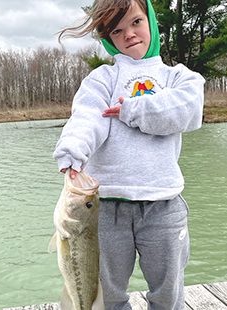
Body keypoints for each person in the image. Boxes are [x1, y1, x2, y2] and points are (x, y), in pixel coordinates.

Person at [53, 0, 205, 309]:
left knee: (168, 291)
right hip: (107, 208)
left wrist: (132, 108)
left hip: (164, 205)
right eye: (117, 30)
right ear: (108, 37)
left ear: (150, 20)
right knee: (109, 294)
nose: (129, 34)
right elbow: (86, 119)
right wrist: (72, 151)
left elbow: (187, 111)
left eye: (136, 22)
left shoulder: (178, 77)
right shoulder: (101, 80)